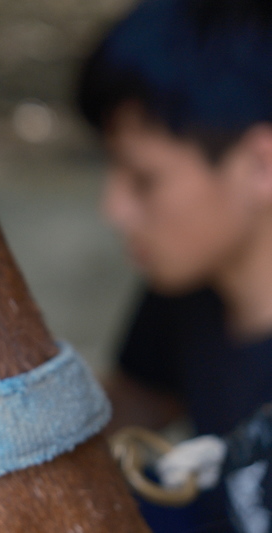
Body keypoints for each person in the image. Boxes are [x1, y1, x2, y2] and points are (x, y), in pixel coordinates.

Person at [77, 0, 272, 531]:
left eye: (143, 179)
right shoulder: (188, 286)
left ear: (260, 163)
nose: (113, 209)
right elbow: (130, 405)